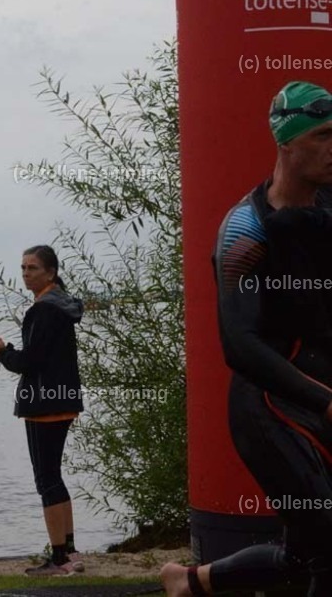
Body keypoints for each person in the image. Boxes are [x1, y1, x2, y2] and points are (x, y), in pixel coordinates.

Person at [161, 82, 332, 597]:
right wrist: (324, 402)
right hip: (271, 407)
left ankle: (190, 582)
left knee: (303, 555)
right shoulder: (245, 229)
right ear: (286, 143)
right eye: (323, 136)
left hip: (322, 395)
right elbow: (239, 344)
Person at [0, 245, 85, 576]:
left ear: (50, 272)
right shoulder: (60, 305)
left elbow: (30, 362)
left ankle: (60, 559)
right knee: (54, 475)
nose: (25, 274)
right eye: (23, 268)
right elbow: (43, 356)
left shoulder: (43, 311)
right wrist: (9, 351)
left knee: (46, 479)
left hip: (44, 404)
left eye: (33, 268)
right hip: (62, 399)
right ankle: (69, 551)